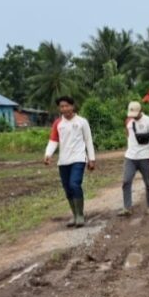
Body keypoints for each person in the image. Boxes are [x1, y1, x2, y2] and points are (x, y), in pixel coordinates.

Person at [44, 96, 96, 228]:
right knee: (67, 189)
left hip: (78, 158)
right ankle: (74, 215)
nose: (65, 109)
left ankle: (80, 215)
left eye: (67, 106)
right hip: (63, 161)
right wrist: (48, 154)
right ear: (59, 109)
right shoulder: (58, 124)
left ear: (72, 106)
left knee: (74, 184)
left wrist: (91, 159)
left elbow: (88, 140)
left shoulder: (82, 122)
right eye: (62, 106)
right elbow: (54, 140)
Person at [119, 101, 149, 216]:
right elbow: (128, 136)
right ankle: (127, 208)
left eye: (135, 114)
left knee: (148, 182)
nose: (133, 117)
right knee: (126, 181)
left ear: (140, 111)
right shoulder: (129, 121)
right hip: (130, 157)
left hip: (145, 157)